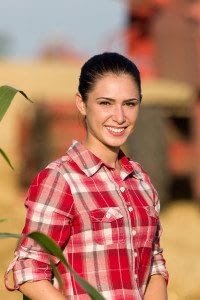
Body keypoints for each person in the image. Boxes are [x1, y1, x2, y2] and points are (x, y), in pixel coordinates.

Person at [5, 52, 168, 299]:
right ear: (81, 103)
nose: (120, 117)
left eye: (130, 104)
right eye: (105, 103)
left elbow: (154, 265)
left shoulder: (141, 181)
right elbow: (28, 270)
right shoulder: (61, 180)